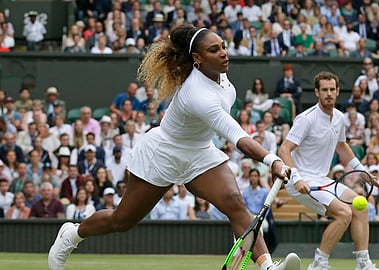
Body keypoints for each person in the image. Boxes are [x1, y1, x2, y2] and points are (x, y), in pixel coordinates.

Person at [48, 25, 300, 270]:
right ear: (197, 58)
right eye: (214, 50)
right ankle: (71, 234)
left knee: (235, 203)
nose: (223, 53)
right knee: (122, 220)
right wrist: (272, 160)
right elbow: (238, 137)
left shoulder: (221, 75)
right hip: (163, 153)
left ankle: (268, 267)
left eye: (223, 47)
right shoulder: (198, 94)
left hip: (200, 152)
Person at [278, 71, 378, 270]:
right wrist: (296, 179)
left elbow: (341, 146)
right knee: (344, 213)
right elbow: (284, 149)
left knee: (361, 207)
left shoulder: (339, 118)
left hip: (322, 180)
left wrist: (362, 171)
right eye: (324, 90)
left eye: (332, 89)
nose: (329, 94)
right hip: (302, 181)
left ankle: (363, 264)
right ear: (317, 92)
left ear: (338, 91)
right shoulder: (306, 119)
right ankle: (319, 264)